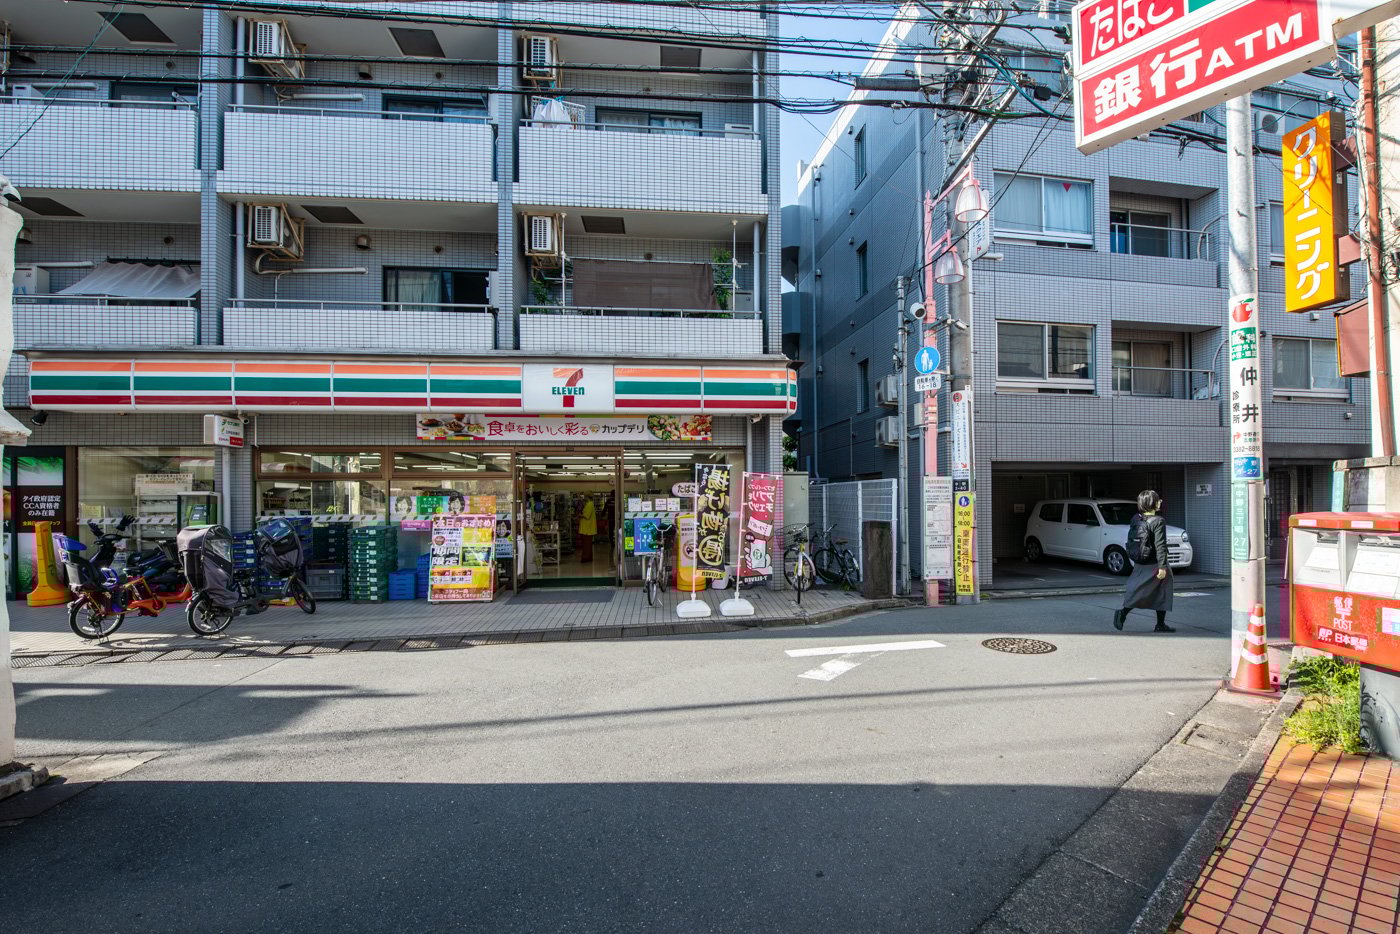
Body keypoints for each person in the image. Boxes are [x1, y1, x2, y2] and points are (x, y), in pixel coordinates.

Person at [1114, 489, 1175, 633]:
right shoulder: (1159, 521)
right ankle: (1124, 614)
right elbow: (1160, 545)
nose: (1160, 501)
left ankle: (1158, 624)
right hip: (1155, 563)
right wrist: (1162, 567)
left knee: (1139, 590)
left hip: (1141, 561)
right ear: (1152, 502)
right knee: (1162, 592)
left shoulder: (1136, 518)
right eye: (1158, 499)